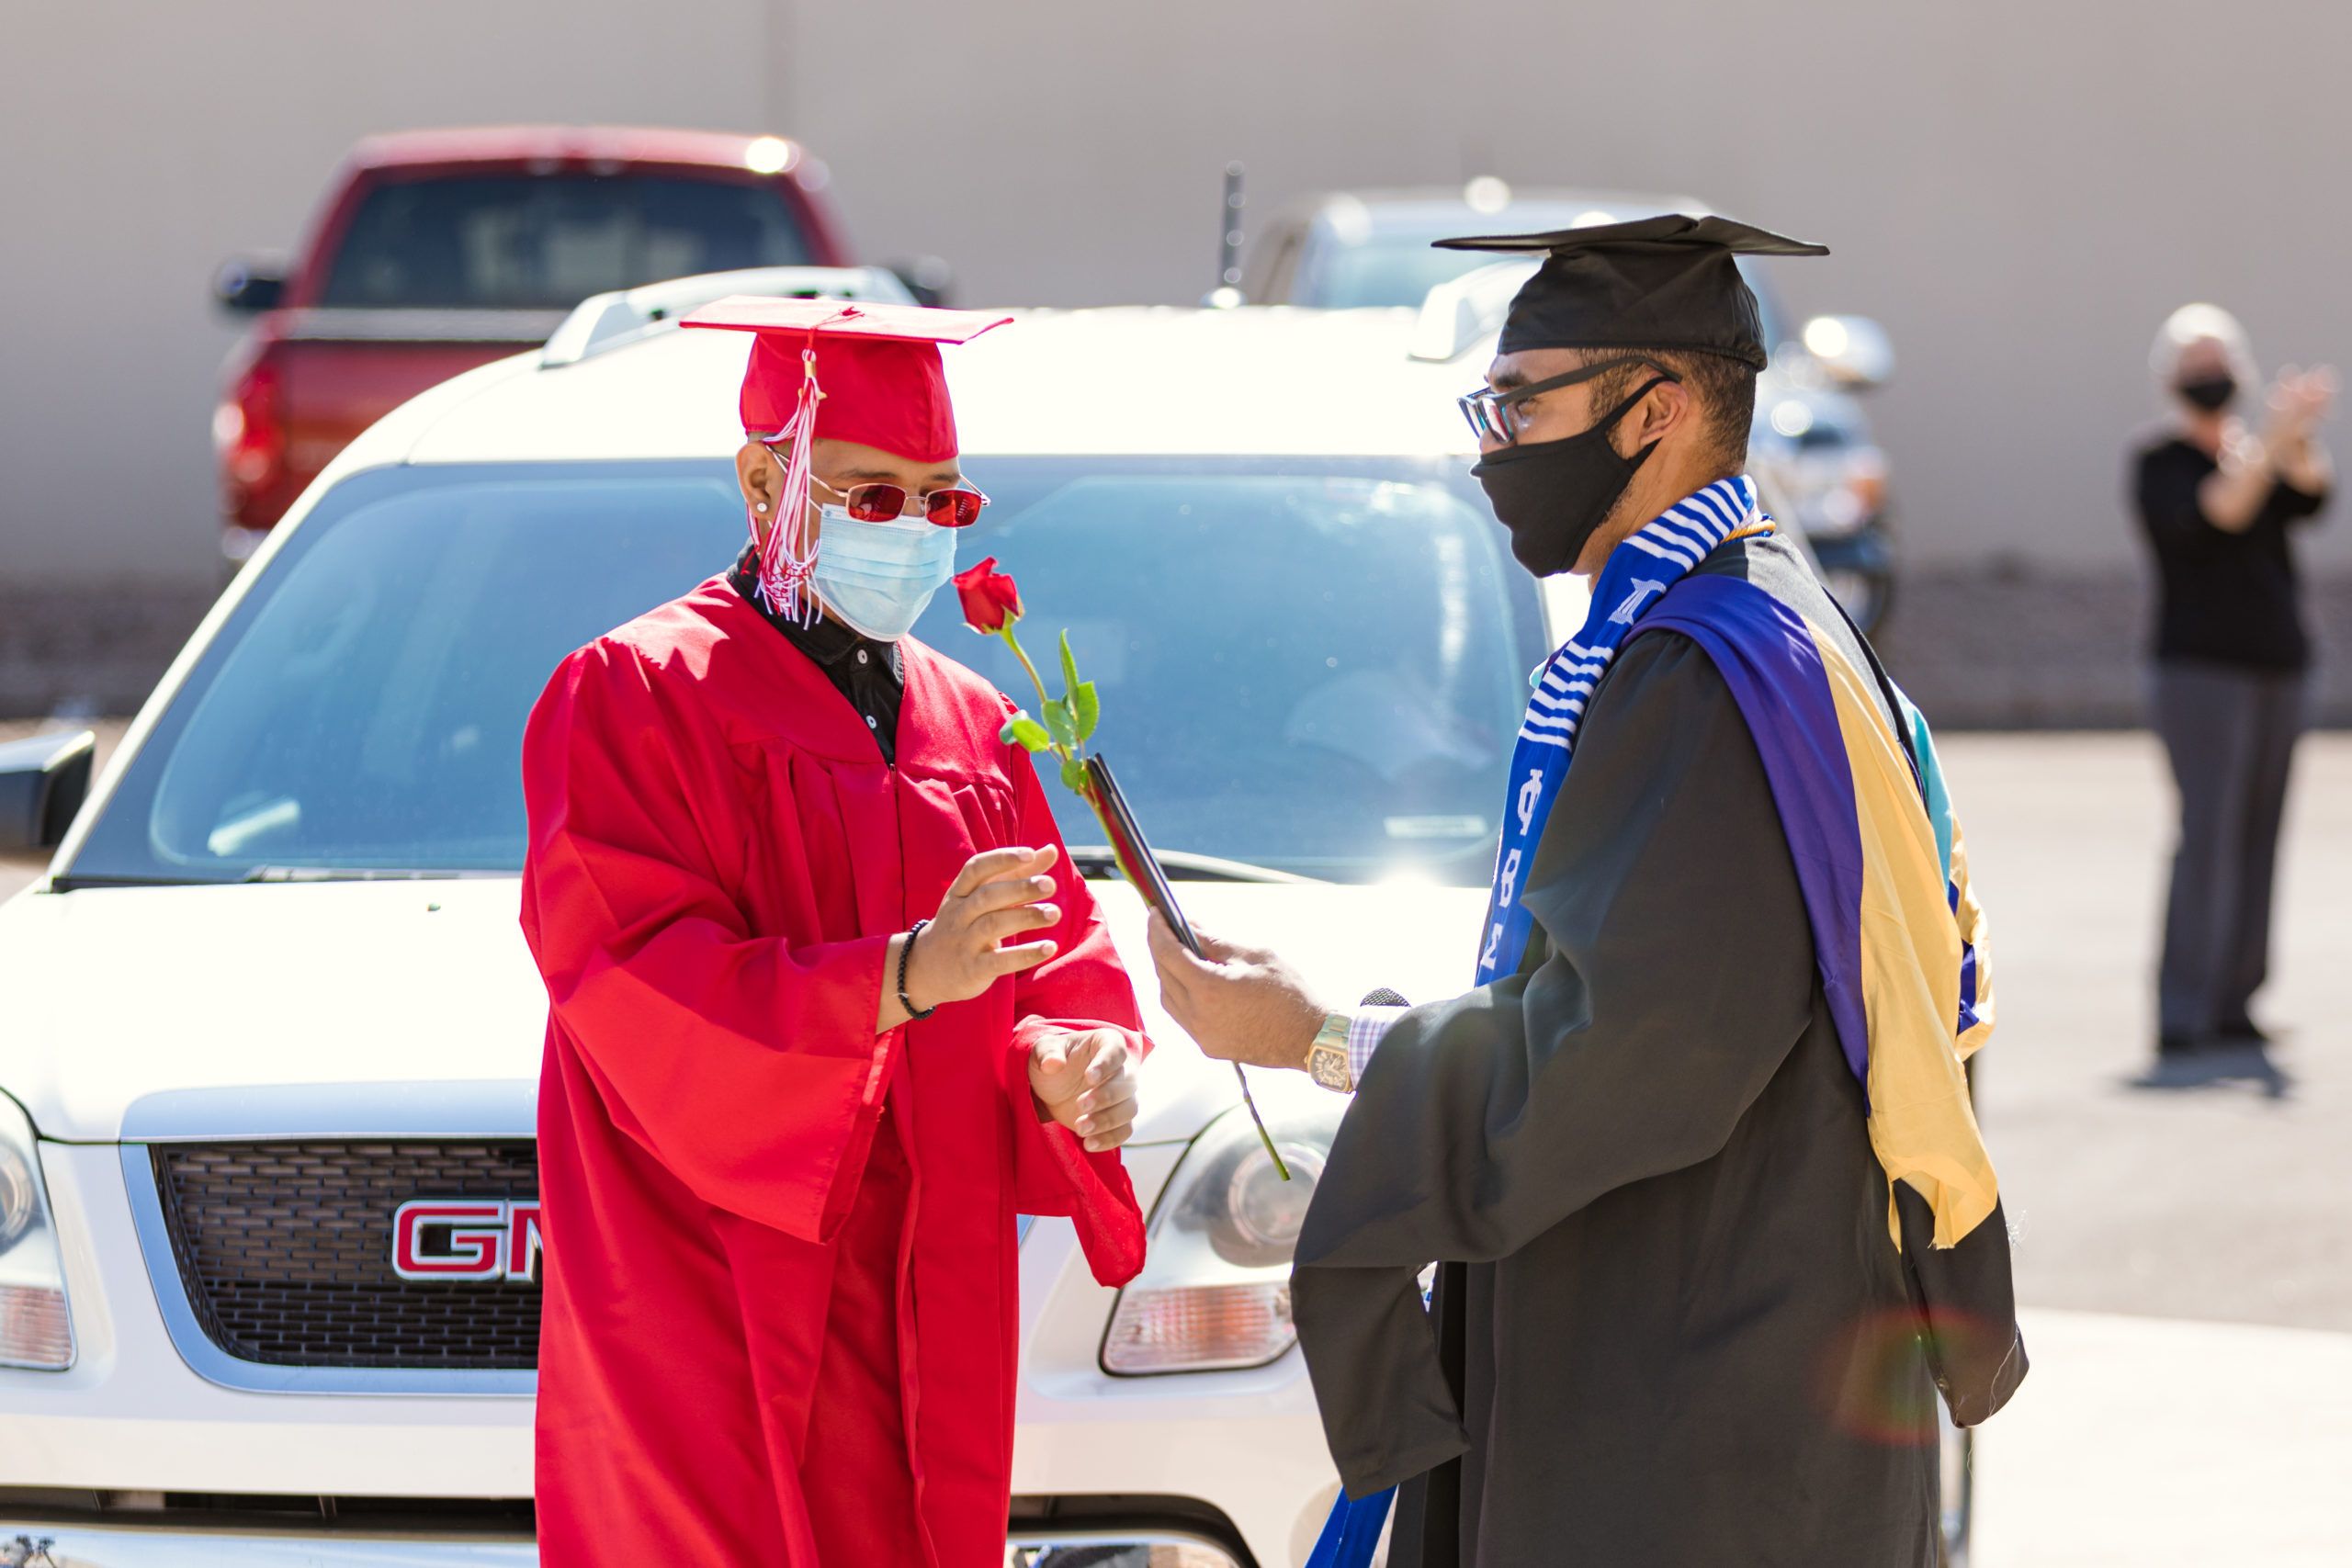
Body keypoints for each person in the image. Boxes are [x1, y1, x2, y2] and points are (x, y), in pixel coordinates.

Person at [1148, 216, 2026, 1566]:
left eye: (1521, 402)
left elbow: (1622, 1059)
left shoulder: (1703, 680)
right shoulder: (1774, 622)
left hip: (1692, 1403)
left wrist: (1322, 1036)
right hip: (1726, 1352)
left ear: (1655, 409)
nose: (1492, 440)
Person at [519, 298, 1151, 1566]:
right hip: (716, 1282)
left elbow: (1059, 957)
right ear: (765, 477)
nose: (911, 528)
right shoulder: (638, 695)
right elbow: (627, 973)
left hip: (928, 1285)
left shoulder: (973, 725)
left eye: (943, 500)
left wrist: (1076, 1056)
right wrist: (908, 973)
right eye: (870, 496)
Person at [2132, 304, 2334, 1060]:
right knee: (2208, 833)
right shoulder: (2159, 463)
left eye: (2220, 362)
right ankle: (2182, 1007)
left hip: (2279, 665)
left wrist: (2296, 431)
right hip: (2198, 674)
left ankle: (2235, 999)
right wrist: (2270, 445)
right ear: (2171, 379)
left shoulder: (2266, 448)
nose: (2210, 378)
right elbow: (2222, 511)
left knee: (2260, 835)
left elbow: (2313, 495)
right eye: (2195, 365)